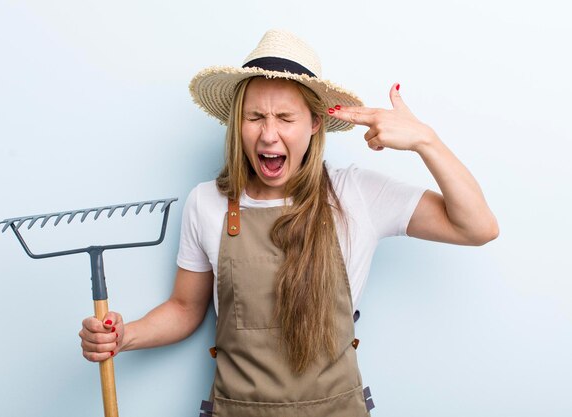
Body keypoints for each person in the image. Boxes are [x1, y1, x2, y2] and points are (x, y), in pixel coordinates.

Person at [79, 29, 498, 416]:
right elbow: (186, 308)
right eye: (255, 116)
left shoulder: (356, 195)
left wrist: (425, 140)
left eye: (285, 118)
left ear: (315, 124)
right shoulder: (206, 202)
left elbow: (477, 227)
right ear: (237, 124)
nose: (268, 135)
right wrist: (123, 336)